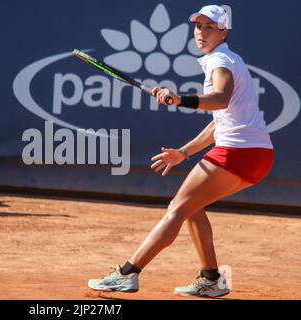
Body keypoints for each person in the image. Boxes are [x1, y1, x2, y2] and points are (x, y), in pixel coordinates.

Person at [87, 5, 274, 298]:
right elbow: (220, 122)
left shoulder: (220, 59)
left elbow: (220, 98)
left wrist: (179, 100)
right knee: (191, 207)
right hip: (258, 155)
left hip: (238, 151)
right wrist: (184, 153)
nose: (201, 32)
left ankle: (128, 273)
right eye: (198, 26)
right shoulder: (228, 59)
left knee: (177, 208)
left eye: (209, 27)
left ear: (224, 32)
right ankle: (212, 278)